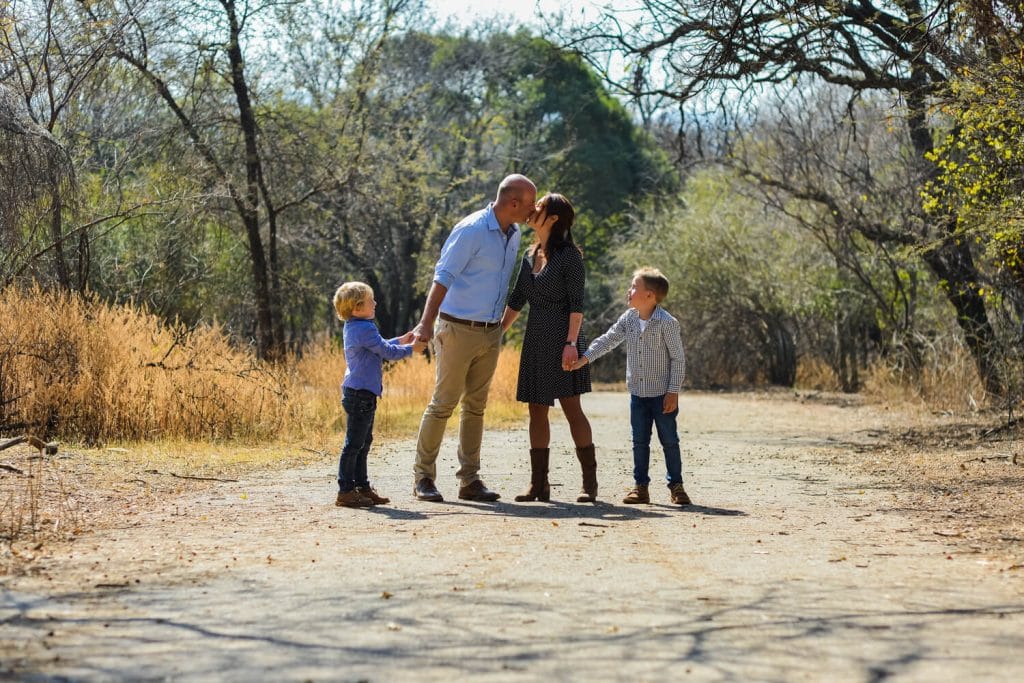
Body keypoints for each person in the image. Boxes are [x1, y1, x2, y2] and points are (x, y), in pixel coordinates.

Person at [411, 174, 536, 502]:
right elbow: (442, 277)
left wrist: (499, 329)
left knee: (476, 407)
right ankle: (423, 477)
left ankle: (469, 480)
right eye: (529, 204)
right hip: (456, 330)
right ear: (512, 203)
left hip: (490, 332)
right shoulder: (472, 230)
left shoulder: (515, 232)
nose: (533, 210)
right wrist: (425, 324)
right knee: (443, 404)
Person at [500, 193, 598, 503]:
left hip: (563, 339)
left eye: (539, 208)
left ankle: (589, 485)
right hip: (536, 339)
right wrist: (497, 333)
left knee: (572, 410)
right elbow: (517, 300)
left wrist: (571, 344)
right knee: (536, 411)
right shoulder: (530, 255)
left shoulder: (570, 257)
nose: (533, 210)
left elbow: (576, 306)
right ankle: (538, 485)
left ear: (553, 219)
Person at [570, 268, 692, 506]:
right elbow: (608, 339)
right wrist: (585, 358)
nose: (629, 290)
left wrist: (673, 391)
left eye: (634, 286)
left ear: (650, 295)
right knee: (639, 442)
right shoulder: (629, 319)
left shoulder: (667, 323)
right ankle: (641, 487)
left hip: (661, 395)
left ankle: (676, 486)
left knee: (669, 440)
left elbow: (678, 359)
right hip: (638, 394)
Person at [333, 281, 426, 508]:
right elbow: (386, 352)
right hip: (360, 394)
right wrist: (410, 350)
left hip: (362, 393)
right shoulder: (364, 329)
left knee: (363, 443)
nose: (375, 303)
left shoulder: (357, 327)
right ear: (356, 308)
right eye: (370, 300)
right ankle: (345, 490)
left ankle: (362, 487)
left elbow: (382, 345)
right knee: (354, 444)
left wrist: (401, 340)